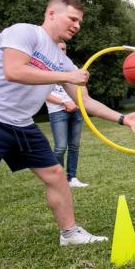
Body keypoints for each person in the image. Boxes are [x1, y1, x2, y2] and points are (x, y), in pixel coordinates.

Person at [0, 0, 135, 269]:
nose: (77, 26)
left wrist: (123, 119)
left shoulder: (61, 59)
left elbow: (85, 101)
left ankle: (69, 233)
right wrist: (65, 74)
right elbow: (14, 70)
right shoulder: (24, 32)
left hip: (20, 121)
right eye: (73, 19)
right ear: (51, 13)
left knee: (56, 174)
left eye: (80, 22)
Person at [45, 42, 89, 187]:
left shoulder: (72, 68)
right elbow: (44, 94)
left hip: (76, 110)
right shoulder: (45, 68)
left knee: (74, 145)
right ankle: (58, 180)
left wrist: (77, 103)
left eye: (63, 48)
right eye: (57, 48)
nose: (60, 51)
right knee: (60, 147)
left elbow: (81, 89)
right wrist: (64, 103)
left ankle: (72, 178)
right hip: (58, 111)